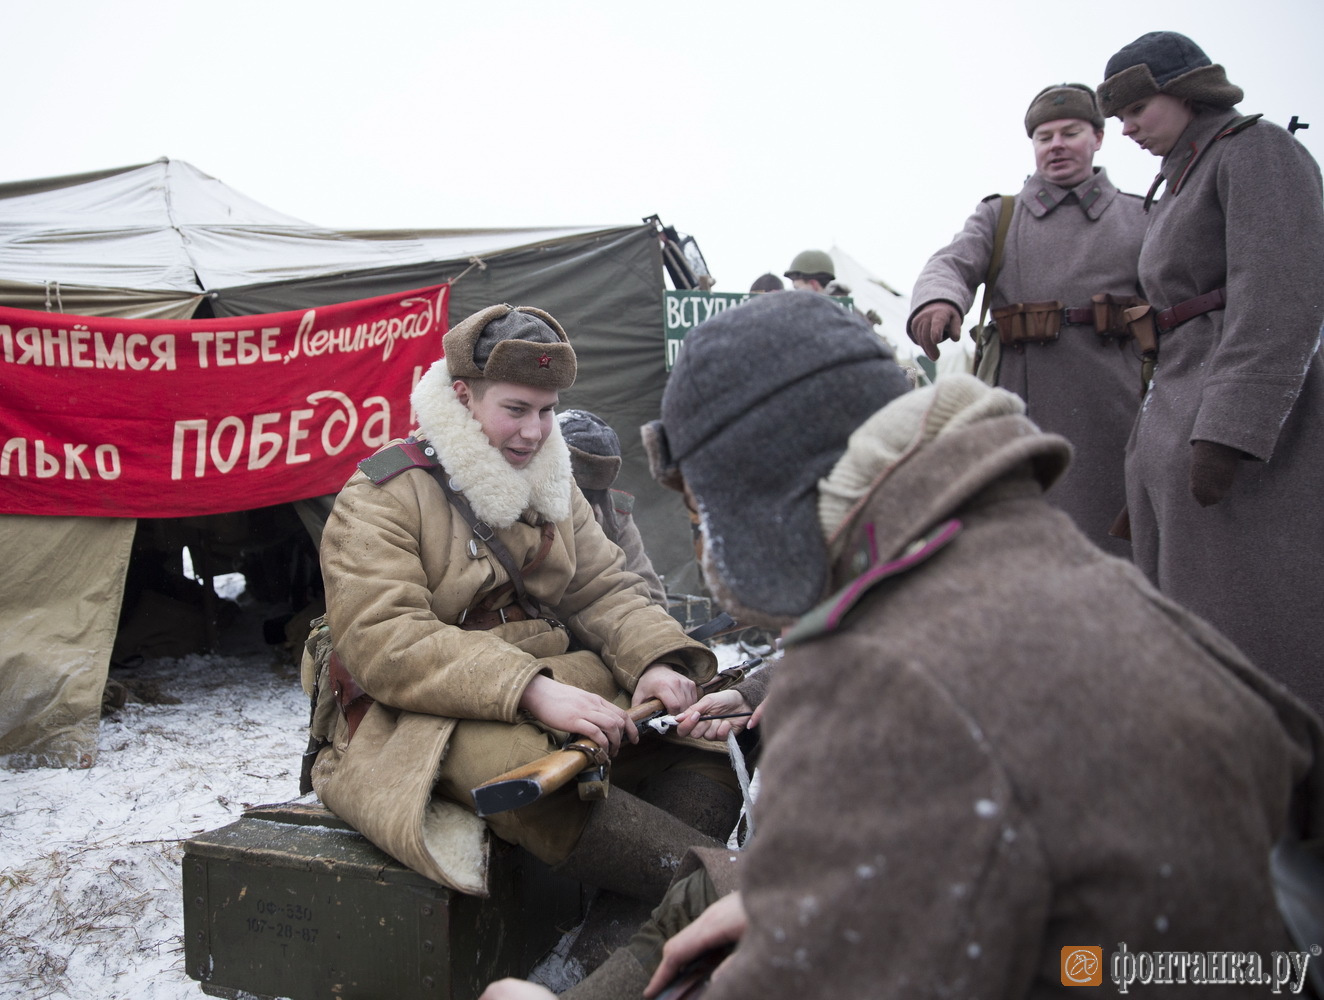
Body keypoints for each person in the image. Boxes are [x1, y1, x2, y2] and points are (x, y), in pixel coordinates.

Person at [482, 290, 1324, 1000]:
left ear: (767, 500)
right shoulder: (1076, 573)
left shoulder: (875, 681)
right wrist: (807, 901)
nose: (707, 547)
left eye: (705, 513)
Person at [310, 303, 740, 909]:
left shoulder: (555, 486)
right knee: (533, 781)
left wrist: (653, 661)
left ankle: (629, 928)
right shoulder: (383, 495)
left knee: (707, 740)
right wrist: (531, 690)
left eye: (546, 411)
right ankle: (729, 897)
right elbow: (387, 642)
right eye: (515, 410)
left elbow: (604, 588)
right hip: (424, 711)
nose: (535, 432)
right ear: (462, 396)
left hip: (559, 680)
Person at [1097, 31, 1324, 715]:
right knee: (1194, 624)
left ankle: (1292, 791)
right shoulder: (1180, 178)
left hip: (1243, 436)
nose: (1128, 127)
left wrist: (1229, 428)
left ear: (1186, 90)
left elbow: (1282, 293)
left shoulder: (1255, 150)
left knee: (1255, 624)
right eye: (1121, 116)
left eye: (1138, 108)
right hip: (1178, 410)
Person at [907, 83, 1147, 558]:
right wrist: (939, 301)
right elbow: (951, 263)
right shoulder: (1001, 216)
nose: (1055, 145)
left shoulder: (1140, 217)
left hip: (1119, 408)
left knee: (1115, 551)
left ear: (1098, 137)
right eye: (1043, 136)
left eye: (1070, 132)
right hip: (1022, 404)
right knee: (1020, 545)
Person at [556, 408, 666, 604]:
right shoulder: (521, 512)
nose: (582, 504)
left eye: (591, 494)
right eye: (573, 490)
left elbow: (652, 597)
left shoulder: (614, 516)